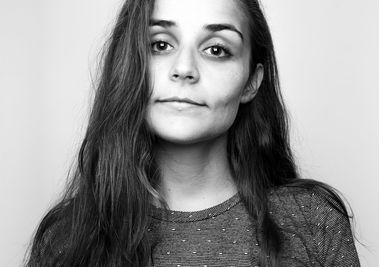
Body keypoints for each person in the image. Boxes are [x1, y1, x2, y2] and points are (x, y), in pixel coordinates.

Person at [26, 0, 360, 266]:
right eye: (160, 44)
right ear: (127, 64)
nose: (184, 69)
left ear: (251, 82)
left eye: (216, 49)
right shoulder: (65, 237)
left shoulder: (312, 222)